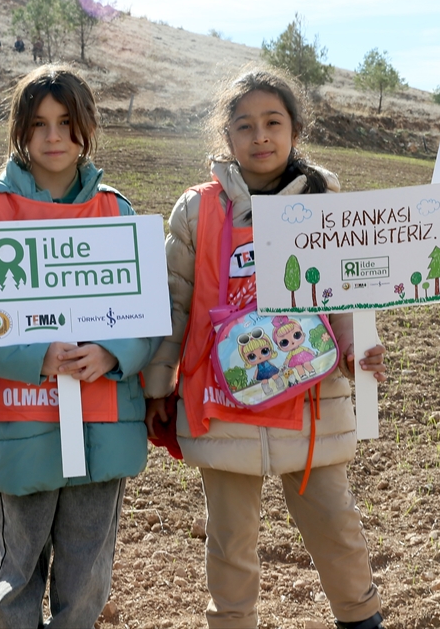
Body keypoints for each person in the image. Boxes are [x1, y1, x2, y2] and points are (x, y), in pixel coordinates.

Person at [143, 67, 388, 629]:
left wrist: (357, 351)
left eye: (273, 122)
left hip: (311, 397)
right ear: (225, 138)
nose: (260, 136)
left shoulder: (327, 205)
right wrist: (158, 386)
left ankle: (361, 618)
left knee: (337, 527)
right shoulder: (196, 210)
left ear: (295, 130)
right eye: (245, 125)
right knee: (230, 543)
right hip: (220, 401)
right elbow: (173, 302)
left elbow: (347, 299)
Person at [0, 65, 159, 628]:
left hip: (104, 422)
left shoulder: (115, 211)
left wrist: (113, 353)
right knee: (17, 573)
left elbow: (147, 316)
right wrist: (34, 356)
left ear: (86, 127)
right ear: (20, 130)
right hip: (22, 422)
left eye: (67, 123)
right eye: (40, 123)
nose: (53, 137)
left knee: (87, 574)